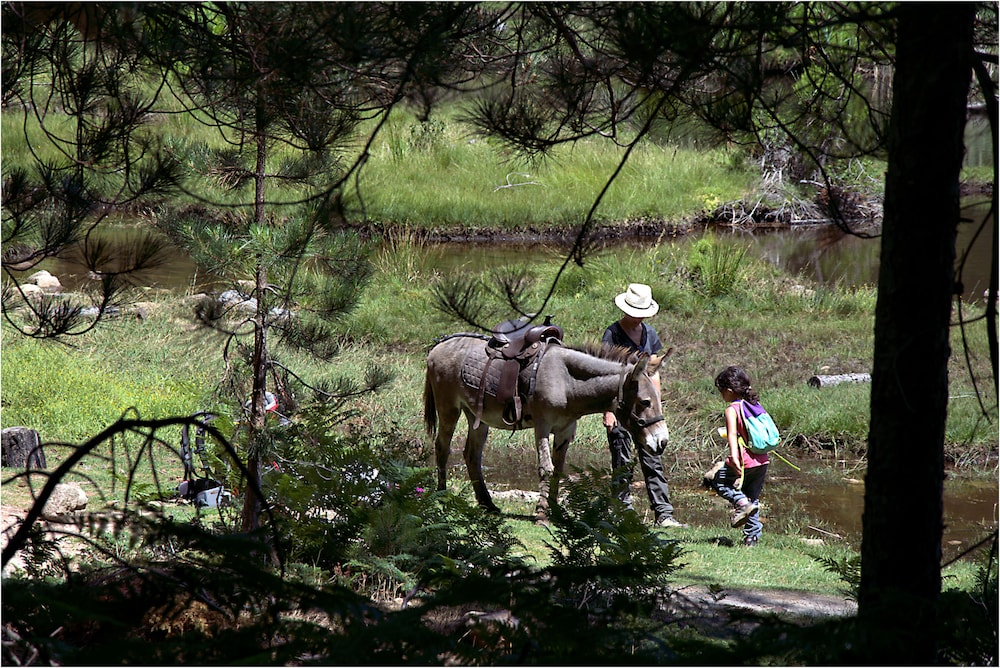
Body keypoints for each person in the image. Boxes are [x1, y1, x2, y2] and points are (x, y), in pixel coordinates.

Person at [602, 283, 686, 528]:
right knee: (622, 457)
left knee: (653, 458)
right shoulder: (612, 334)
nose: (638, 316)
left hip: (645, 409)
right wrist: (609, 411)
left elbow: (654, 371)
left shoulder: (649, 333)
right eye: (634, 310)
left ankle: (664, 514)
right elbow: (607, 373)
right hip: (622, 406)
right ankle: (621, 509)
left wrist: (657, 409)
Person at [711, 365, 770, 546]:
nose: (721, 395)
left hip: (744, 460)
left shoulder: (732, 409)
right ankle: (751, 538)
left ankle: (741, 503)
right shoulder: (754, 405)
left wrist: (735, 459)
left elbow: (732, 437)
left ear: (729, 391)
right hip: (762, 459)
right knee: (753, 498)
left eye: (721, 391)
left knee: (720, 482)